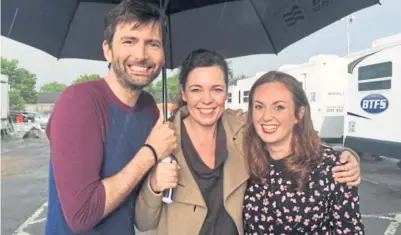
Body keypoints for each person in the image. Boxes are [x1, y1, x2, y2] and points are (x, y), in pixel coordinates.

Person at [135, 49, 361, 235]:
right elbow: (143, 223)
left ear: (226, 92)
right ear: (183, 93)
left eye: (216, 89)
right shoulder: (161, 141)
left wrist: (345, 154)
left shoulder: (244, 129)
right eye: (196, 90)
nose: (206, 100)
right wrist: (154, 185)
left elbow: (287, 135)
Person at [45, 1, 177, 234]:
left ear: (163, 55)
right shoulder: (79, 102)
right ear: (107, 50)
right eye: (129, 41)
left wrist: (156, 184)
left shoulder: (149, 110)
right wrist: (152, 152)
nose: (141, 55)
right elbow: (82, 215)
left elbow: (138, 211)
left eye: (153, 44)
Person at [242, 71, 364, 234]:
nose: (266, 117)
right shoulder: (245, 159)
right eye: (259, 107)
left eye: (279, 107)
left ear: (299, 114)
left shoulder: (332, 167)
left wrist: (349, 154)